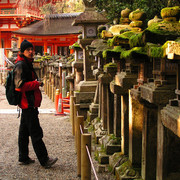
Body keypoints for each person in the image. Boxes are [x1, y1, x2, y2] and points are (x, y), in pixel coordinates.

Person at [14, 39, 58, 168]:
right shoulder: (21, 65)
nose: (31, 52)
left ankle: (23, 157)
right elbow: (19, 85)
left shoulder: (27, 63)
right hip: (28, 103)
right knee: (35, 132)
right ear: (22, 51)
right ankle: (44, 160)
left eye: (32, 49)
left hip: (28, 103)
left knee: (24, 131)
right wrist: (36, 84)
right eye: (28, 50)